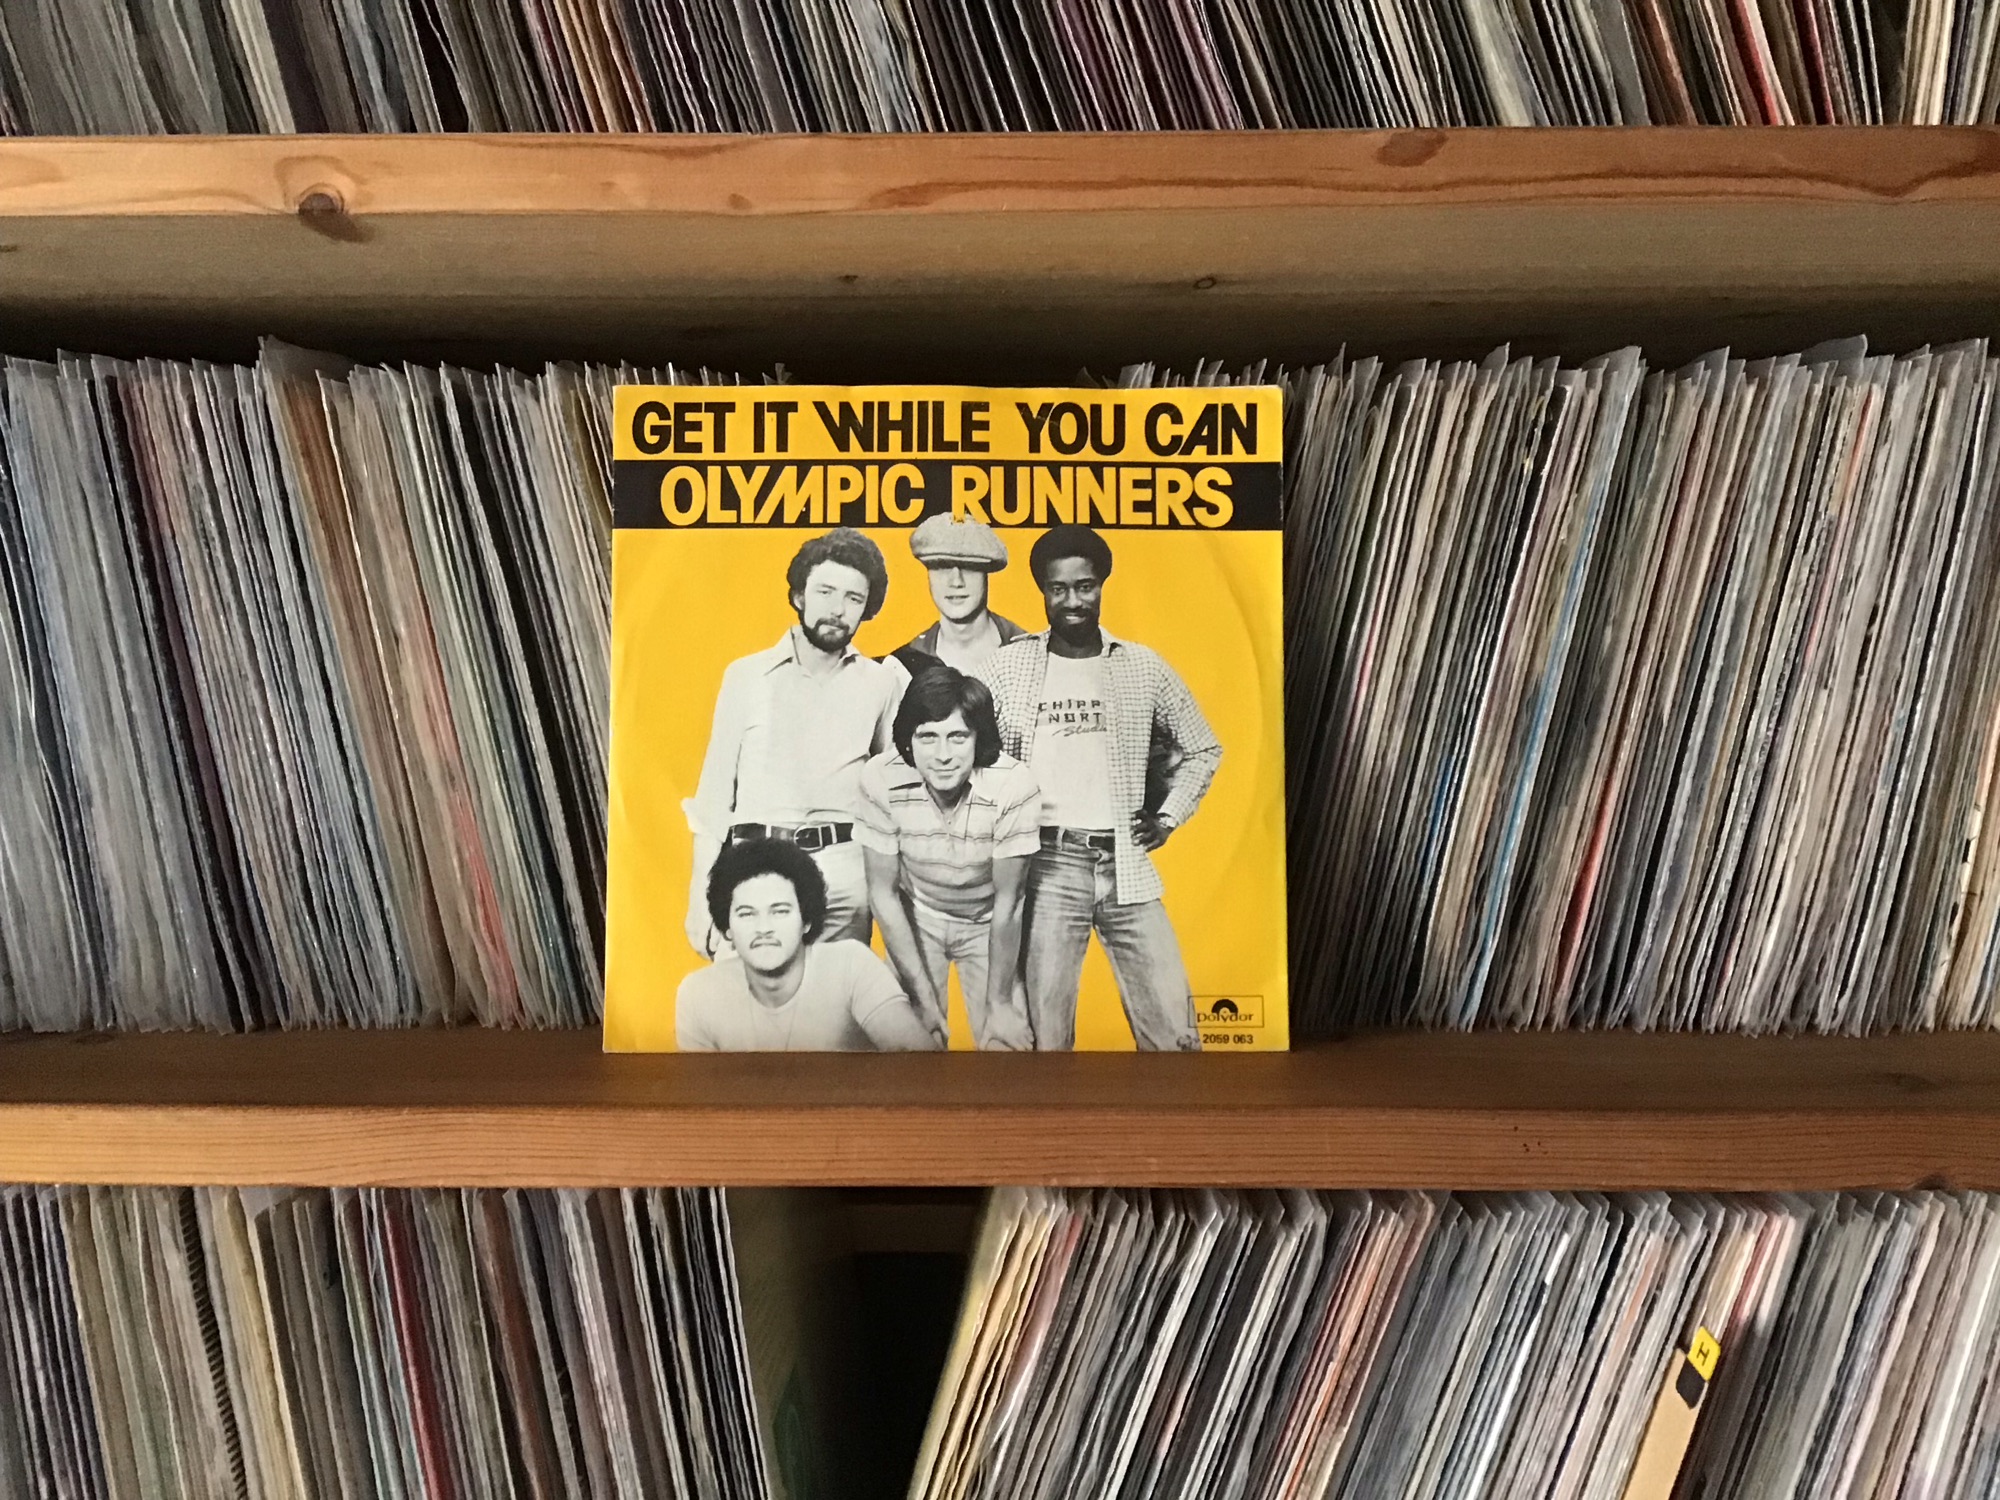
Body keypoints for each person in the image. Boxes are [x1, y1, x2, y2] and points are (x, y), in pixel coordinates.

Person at [975, 524, 1221, 1052]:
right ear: (1043, 591)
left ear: (1101, 585)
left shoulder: (1142, 666)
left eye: (1084, 587)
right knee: (1046, 1038)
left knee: (1177, 1036)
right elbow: (970, 750)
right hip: (1047, 864)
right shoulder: (1008, 665)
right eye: (1059, 589)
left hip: (1125, 862)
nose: (1073, 601)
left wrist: (1168, 817)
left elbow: (1204, 748)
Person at [684, 527, 904, 956]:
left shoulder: (882, 683)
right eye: (825, 592)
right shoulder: (746, 676)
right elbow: (713, 799)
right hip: (755, 868)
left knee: (836, 997)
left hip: (844, 879)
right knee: (748, 998)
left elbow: (894, 793)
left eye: (853, 598)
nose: (837, 609)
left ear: (867, 609)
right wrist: (699, 897)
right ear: (800, 595)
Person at [857, 666, 1040, 1050]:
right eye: (928, 737)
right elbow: (882, 893)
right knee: (911, 1045)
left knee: (1007, 1050)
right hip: (918, 917)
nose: (943, 756)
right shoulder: (880, 777)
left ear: (978, 739)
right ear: (908, 741)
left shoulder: (1013, 784)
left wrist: (1000, 1003)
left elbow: (1010, 902)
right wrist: (922, 1002)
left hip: (986, 920)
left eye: (958, 737)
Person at [676, 837, 941, 1051]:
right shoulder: (699, 995)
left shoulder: (852, 966)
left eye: (780, 911)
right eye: (747, 914)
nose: (764, 928)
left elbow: (919, 1062)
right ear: (727, 928)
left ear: (806, 921)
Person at [890, 513, 1029, 676]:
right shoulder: (904, 665)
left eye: (969, 567)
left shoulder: (1030, 652)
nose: (956, 581)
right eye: (942, 567)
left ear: (986, 572)